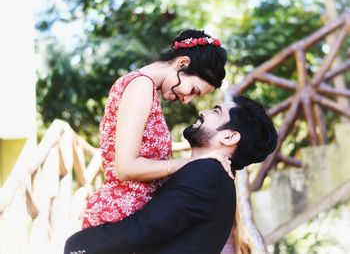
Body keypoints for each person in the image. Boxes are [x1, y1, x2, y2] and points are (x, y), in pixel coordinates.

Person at [65, 96, 278, 254]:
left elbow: (143, 229)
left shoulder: (208, 173)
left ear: (230, 137)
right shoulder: (216, 178)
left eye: (216, 111)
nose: (204, 112)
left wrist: (78, 244)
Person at [81, 29, 232, 229]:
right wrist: (195, 161)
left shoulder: (146, 89)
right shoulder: (140, 86)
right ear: (182, 63)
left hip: (136, 219)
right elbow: (126, 168)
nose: (187, 101)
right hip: (122, 220)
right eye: (193, 90)